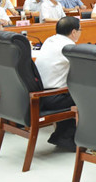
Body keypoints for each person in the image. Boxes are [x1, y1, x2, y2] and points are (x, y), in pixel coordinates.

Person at [33, 16, 81, 150]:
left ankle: (62, 135)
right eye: (80, 30)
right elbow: (83, 70)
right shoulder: (68, 47)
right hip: (54, 97)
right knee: (90, 94)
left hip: (41, 94)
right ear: (74, 32)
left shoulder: (49, 40)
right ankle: (69, 137)